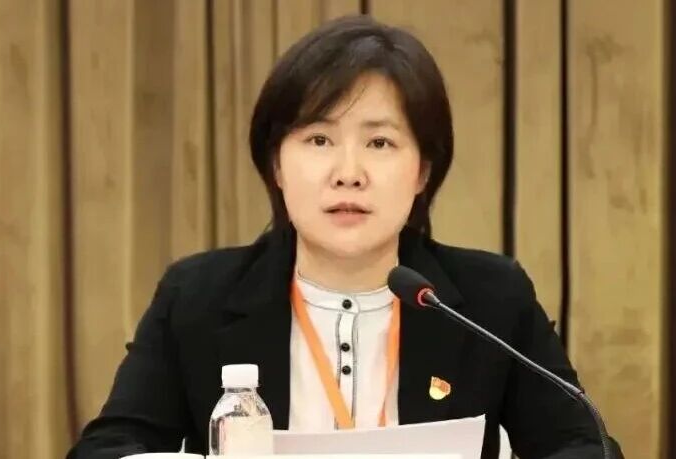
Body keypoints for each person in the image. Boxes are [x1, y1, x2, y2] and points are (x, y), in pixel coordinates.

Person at [68, 15, 621, 459]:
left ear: (423, 171)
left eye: (380, 143)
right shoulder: (197, 298)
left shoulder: (490, 300)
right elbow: (107, 449)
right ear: (276, 165)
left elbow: (585, 446)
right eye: (318, 140)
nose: (348, 173)